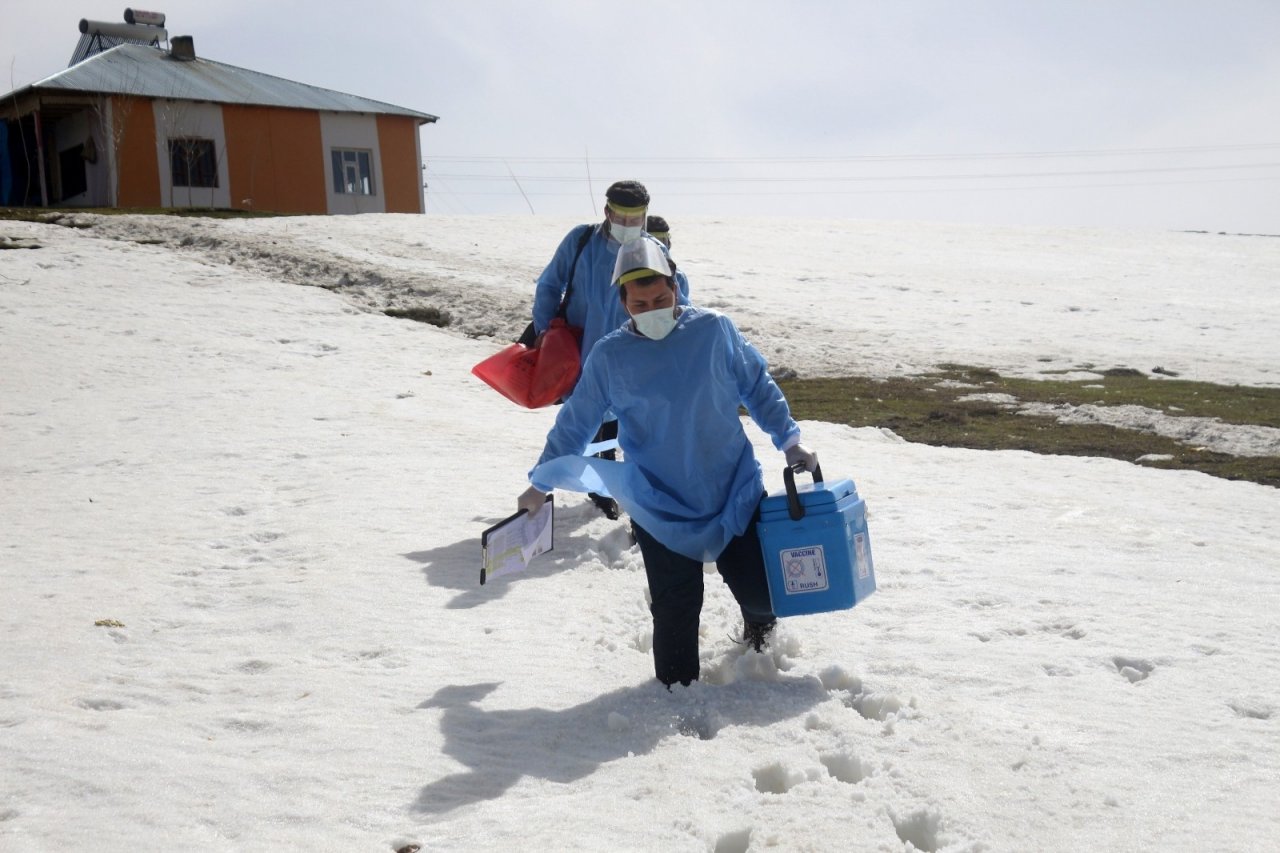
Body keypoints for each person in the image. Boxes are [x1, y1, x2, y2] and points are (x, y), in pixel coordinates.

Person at [517, 236, 819, 688]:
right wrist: (540, 482)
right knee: (676, 606)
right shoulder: (610, 356)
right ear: (623, 302)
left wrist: (790, 440)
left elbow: (756, 385)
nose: (653, 308)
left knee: (761, 591)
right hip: (659, 502)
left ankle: (760, 641)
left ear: (676, 287)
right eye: (640, 302)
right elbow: (575, 421)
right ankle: (676, 704)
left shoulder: (713, 331)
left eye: (661, 297)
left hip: (730, 488)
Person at [529, 182, 689, 521]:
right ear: (607, 212)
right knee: (583, 423)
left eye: (637, 218)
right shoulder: (580, 241)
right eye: (622, 217)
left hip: (637, 358)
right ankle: (596, 486)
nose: (629, 225)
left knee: (632, 427)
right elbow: (549, 285)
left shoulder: (654, 250)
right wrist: (546, 334)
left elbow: (679, 298)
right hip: (581, 355)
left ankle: (637, 499)